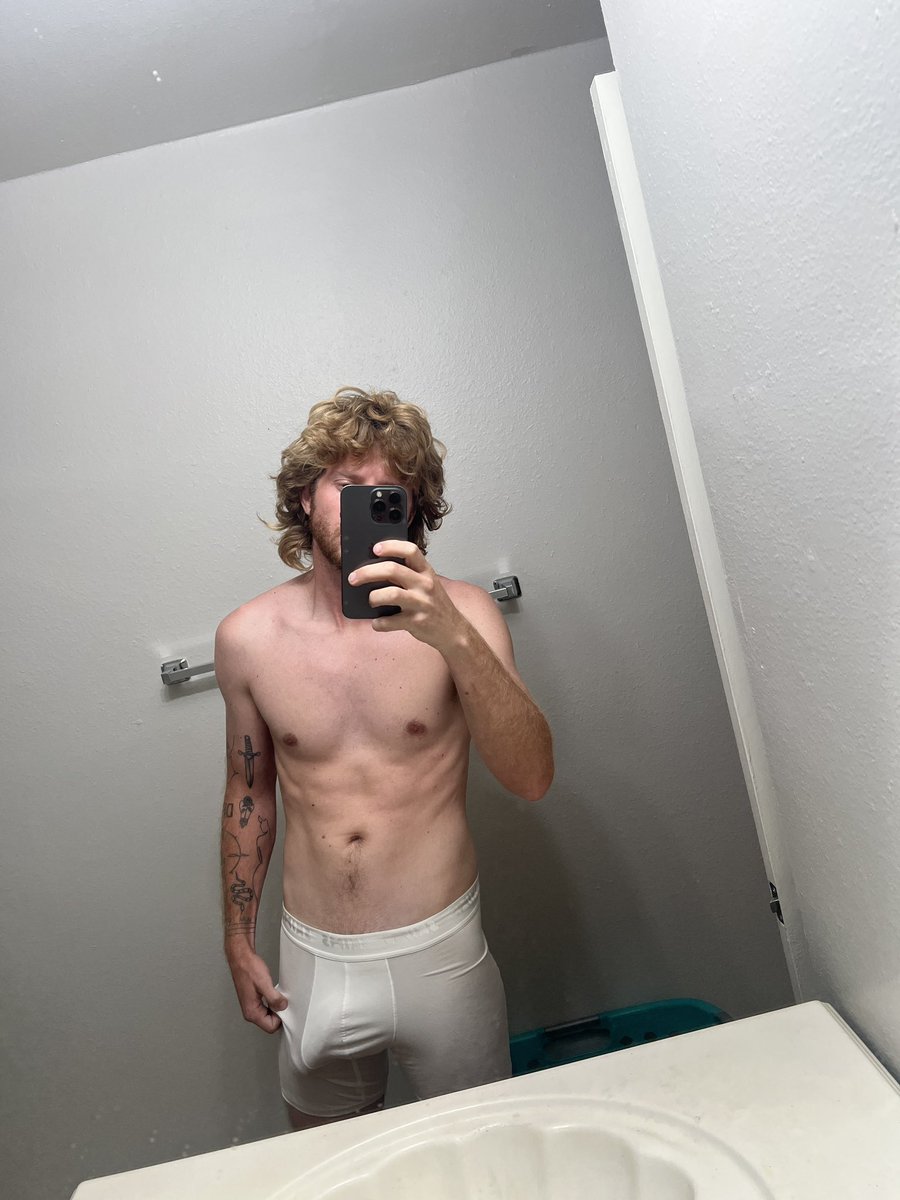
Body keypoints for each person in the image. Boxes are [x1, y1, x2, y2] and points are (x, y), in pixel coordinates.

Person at [216, 386, 553, 1131]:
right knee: (329, 1167)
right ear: (304, 497)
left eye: (388, 492)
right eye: (347, 484)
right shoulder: (248, 638)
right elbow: (249, 792)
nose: (364, 504)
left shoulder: (465, 614)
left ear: (410, 511)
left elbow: (531, 778)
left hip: (441, 951)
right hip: (313, 962)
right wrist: (238, 941)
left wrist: (451, 635)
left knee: (480, 1160)